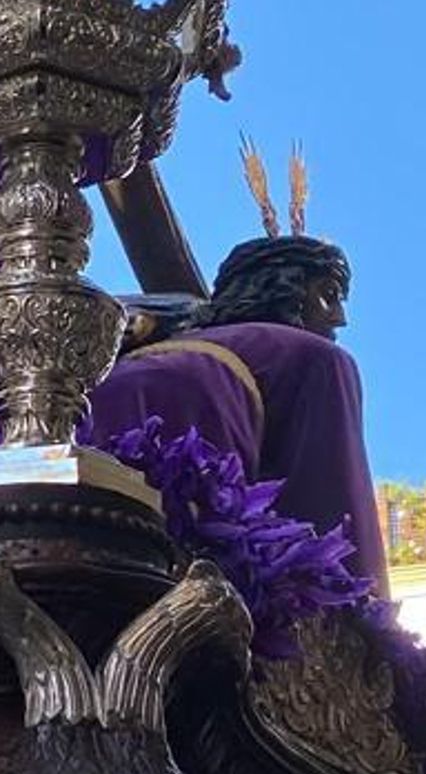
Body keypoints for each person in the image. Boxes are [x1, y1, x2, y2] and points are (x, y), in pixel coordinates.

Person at [87, 230, 388, 593]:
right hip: (206, 581)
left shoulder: (142, 350)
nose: (340, 319)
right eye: (329, 295)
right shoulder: (314, 357)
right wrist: (373, 627)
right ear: (284, 286)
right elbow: (332, 502)